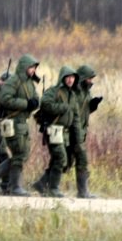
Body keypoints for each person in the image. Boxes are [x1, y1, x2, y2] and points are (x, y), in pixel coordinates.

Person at [0, 54, 40, 196]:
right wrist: (26, 104)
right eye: (31, 67)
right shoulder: (13, 81)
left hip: (23, 122)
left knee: (23, 154)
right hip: (13, 122)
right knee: (19, 154)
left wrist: (35, 103)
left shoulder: (29, 83)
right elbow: (5, 99)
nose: (33, 70)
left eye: (34, 68)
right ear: (24, 67)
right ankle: (15, 186)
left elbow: (35, 98)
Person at [31, 66, 81, 197]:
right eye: (68, 77)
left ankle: (41, 184)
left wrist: (78, 138)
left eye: (72, 77)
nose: (70, 80)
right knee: (60, 158)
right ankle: (53, 189)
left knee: (61, 160)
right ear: (63, 78)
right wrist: (62, 107)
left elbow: (76, 118)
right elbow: (45, 104)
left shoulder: (73, 95)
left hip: (65, 133)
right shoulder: (54, 91)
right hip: (54, 130)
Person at [70, 65, 102, 198]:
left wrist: (93, 105)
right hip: (72, 130)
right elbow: (72, 111)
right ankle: (83, 192)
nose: (91, 81)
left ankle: (44, 184)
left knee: (67, 161)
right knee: (79, 159)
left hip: (81, 131)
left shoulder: (86, 92)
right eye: (89, 78)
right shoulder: (74, 92)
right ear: (83, 78)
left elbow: (84, 111)